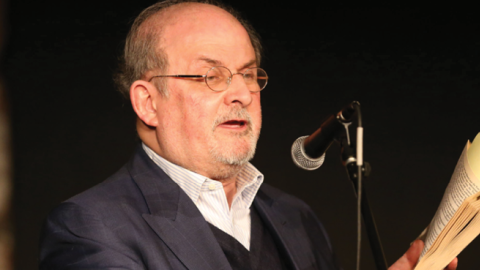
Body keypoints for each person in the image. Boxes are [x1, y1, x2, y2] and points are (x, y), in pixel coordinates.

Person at [39, 1, 458, 269]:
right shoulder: (91, 227)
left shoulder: (296, 219)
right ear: (149, 103)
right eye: (211, 76)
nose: (242, 92)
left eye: (248, 74)